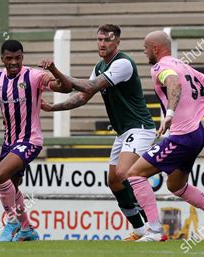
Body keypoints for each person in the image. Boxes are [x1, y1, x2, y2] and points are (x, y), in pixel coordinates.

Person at [40, 24, 155, 241]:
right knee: (114, 181)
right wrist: (52, 107)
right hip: (123, 132)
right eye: (99, 39)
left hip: (140, 128)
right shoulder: (100, 66)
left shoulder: (123, 63)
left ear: (117, 42)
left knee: (124, 173)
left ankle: (153, 227)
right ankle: (140, 230)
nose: (102, 44)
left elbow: (89, 86)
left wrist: (54, 72)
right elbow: (82, 97)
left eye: (107, 40)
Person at [125, 31, 204, 242]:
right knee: (175, 186)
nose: (144, 52)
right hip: (197, 134)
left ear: (155, 49)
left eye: (145, 48)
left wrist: (169, 114)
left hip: (182, 136)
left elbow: (174, 84)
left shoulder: (160, 67)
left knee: (134, 174)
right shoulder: (184, 65)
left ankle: (155, 231)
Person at [0, 39, 71, 242]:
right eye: (9, 58)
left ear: (22, 57)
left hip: (30, 140)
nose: (14, 62)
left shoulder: (33, 76)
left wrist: (53, 68)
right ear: (2, 59)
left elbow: (66, 87)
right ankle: (26, 229)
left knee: (0, 174)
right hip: (9, 142)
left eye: (18, 58)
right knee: (12, 188)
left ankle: (11, 222)